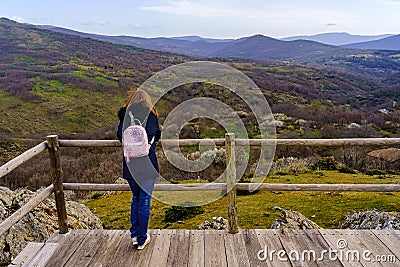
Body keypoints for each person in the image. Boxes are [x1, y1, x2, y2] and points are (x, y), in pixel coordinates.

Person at [117, 89, 161, 250]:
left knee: (136, 198)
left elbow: (119, 135)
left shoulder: (125, 115)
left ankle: (135, 235)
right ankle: (142, 239)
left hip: (130, 164)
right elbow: (155, 134)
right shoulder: (151, 115)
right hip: (147, 164)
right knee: (144, 200)